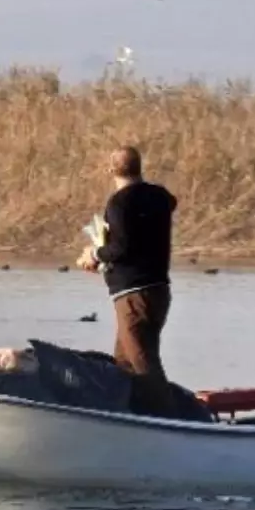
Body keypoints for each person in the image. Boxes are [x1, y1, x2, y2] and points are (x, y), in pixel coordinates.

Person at [77, 145, 179, 412]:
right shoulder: (159, 196)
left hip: (133, 296)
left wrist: (95, 254)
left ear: (111, 170)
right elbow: (170, 203)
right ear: (139, 167)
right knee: (124, 363)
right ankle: (128, 417)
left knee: (141, 361)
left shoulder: (119, 203)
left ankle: (169, 422)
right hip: (157, 291)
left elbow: (120, 248)